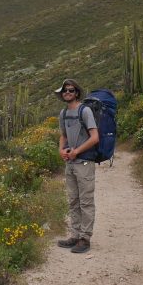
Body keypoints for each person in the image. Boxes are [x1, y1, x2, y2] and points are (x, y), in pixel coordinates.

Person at [54, 78, 99, 254]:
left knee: (86, 200)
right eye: (65, 90)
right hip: (70, 163)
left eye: (71, 90)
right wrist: (61, 150)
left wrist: (77, 151)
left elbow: (95, 137)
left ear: (77, 93)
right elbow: (63, 136)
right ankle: (75, 235)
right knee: (73, 200)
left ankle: (85, 238)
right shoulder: (63, 114)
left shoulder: (85, 111)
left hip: (84, 161)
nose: (67, 93)